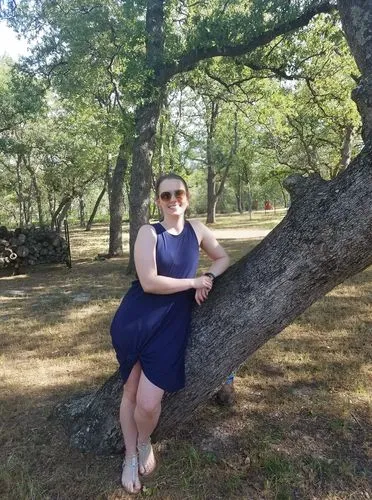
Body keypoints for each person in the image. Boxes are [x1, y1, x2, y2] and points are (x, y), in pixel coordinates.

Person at [110, 173, 230, 494]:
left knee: (148, 405)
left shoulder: (197, 230)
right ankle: (130, 455)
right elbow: (149, 282)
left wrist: (208, 274)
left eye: (178, 193)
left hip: (172, 325)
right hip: (136, 319)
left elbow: (223, 257)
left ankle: (145, 438)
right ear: (159, 201)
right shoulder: (150, 233)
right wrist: (193, 283)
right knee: (131, 392)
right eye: (166, 195)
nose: (173, 199)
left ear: (187, 196)